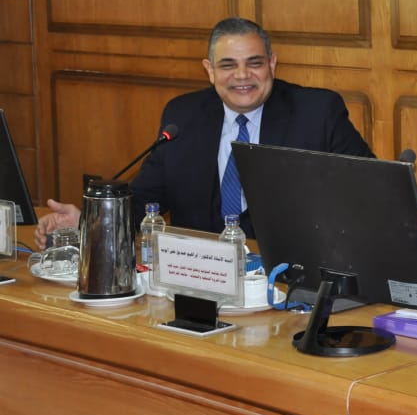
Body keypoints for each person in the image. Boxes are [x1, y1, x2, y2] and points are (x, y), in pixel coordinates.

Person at [34, 17, 374, 247]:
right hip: (200, 275)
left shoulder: (316, 113)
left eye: (254, 63)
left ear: (272, 64)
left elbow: (370, 190)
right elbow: (144, 200)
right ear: (209, 71)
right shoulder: (183, 117)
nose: (242, 76)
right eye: (228, 65)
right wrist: (90, 222)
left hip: (285, 277)